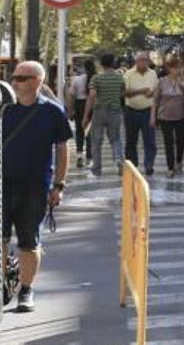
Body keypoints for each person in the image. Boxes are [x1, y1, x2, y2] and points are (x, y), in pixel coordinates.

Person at [1, 61, 72, 313]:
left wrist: (59, 185)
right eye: (13, 77)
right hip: (2, 183)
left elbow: (62, 150)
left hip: (34, 186)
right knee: (1, 237)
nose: (14, 81)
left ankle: (26, 289)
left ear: (36, 81)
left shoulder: (52, 111)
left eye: (20, 77)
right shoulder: (4, 109)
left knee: (28, 242)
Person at [83, 53, 125, 177]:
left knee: (96, 141)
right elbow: (123, 93)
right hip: (115, 111)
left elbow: (91, 96)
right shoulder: (120, 77)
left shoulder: (96, 78)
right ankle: (119, 160)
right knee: (115, 138)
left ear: (101, 64)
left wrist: (86, 116)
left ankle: (96, 169)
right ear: (113, 63)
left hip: (99, 111)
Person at [155, 57, 184, 178]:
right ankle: (170, 167)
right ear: (169, 69)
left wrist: (183, 86)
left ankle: (179, 161)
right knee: (168, 142)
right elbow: (155, 100)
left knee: (180, 140)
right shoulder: (162, 81)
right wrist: (153, 116)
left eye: (179, 68)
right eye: (174, 68)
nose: (177, 70)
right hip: (165, 116)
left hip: (181, 116)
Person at [123, 53, 159, 176]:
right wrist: (141, 91)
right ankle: (132, 165)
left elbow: (156, 92)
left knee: (150, 141)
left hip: (148, 110)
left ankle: (149, 165)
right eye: (141, 60)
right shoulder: (128, 74)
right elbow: (125, 92)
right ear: (136, 61)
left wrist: (153, 115)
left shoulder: (153, 74)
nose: (144, 62)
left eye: (146, 60)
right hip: (131, 110)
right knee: (131, 140)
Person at [66, 64, 91, 167]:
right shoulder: (94, 78)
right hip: (92, 106)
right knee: (90, 131)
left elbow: (71, 96)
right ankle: (90, 155)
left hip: (79, 105)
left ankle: (80, 154)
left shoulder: (76, 79)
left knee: (79, 131)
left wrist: (70, 111)